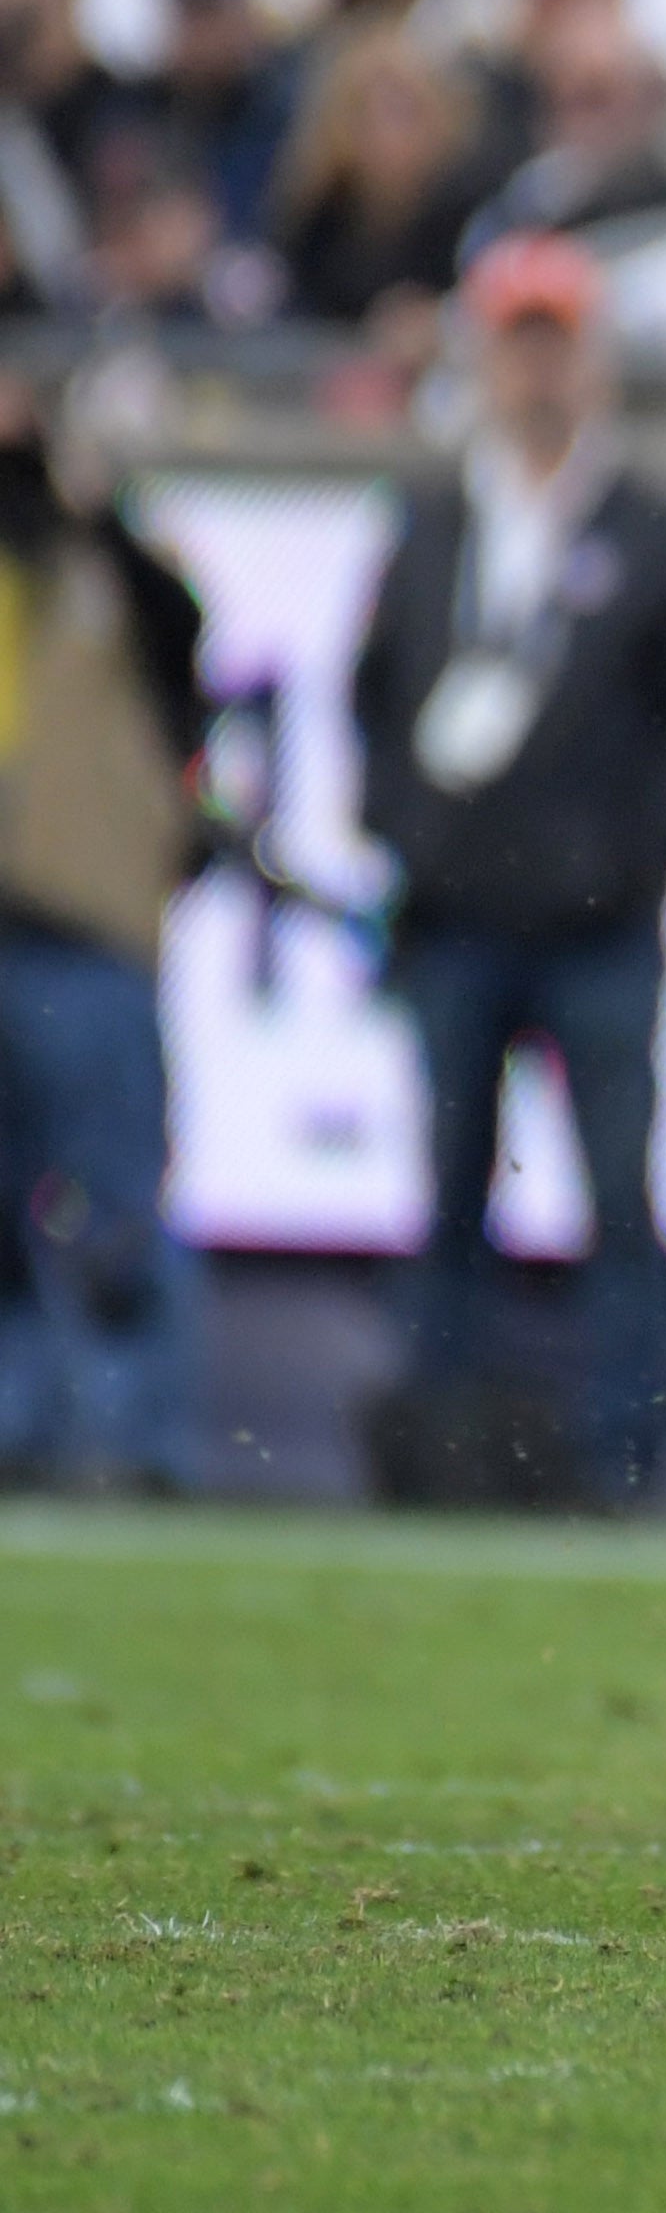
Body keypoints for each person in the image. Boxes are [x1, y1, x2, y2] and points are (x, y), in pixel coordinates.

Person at [348, 240, 666, 1508]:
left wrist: (626, 863)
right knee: (447, 1188)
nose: (537, 371)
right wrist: (409, 836)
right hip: (458, 913)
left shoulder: (650, 528)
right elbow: (372, 694)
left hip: (597, 926)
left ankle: (626, 1454)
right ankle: (434, 1450)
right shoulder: (435, 517)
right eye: (517, 343)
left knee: (617, 1197)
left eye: (555, 342)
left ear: (594, 355)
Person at [0, 371, 207, 1494]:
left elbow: (178, 633)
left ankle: (141, 1443)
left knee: (114, 1205)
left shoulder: (106, 574)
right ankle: (17, 1427)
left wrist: (80, 496)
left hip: (82, 920)